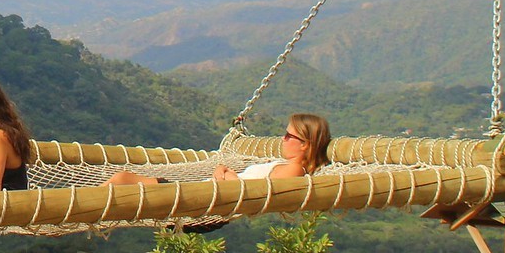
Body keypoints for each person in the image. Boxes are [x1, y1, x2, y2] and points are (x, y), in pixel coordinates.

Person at [103, 112, 333, 189]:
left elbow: (251, 194)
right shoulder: (286, 166)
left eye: (288, 135)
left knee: (122, 180)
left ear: (304, 143)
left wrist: (225, 173)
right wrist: (223, 173)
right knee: (122, 180)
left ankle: (71, 212)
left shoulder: (293, 170)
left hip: (199, 205)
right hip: (201, 192)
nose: (282, 139)